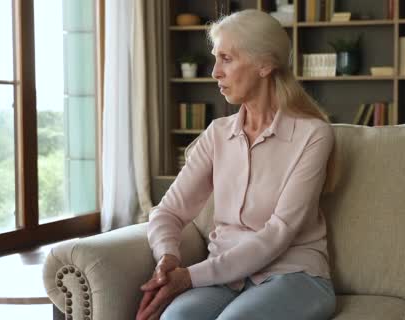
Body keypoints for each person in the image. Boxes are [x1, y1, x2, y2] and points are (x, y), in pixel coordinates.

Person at [136, 9, 337, 320]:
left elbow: (278, 233)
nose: (215, 71)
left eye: (226, 59)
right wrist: (167, 256)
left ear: (265, 64)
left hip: (294, 275)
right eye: (216, 59)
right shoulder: (217, 134)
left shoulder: (313, 135)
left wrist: (190, 277)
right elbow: (168, 211)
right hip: (224, 280)